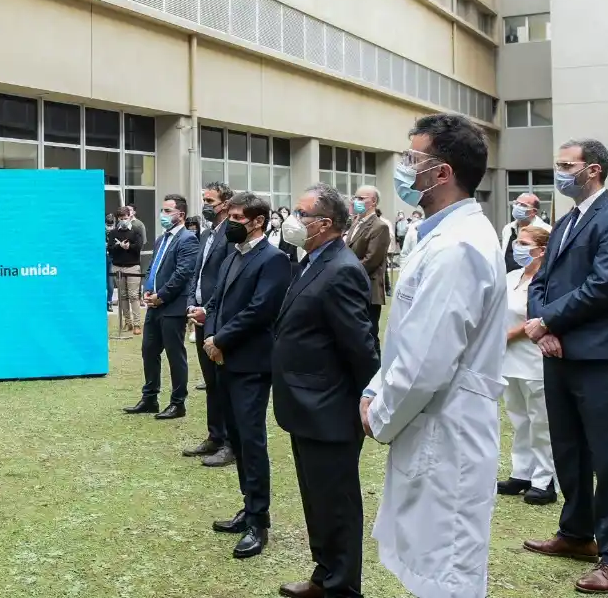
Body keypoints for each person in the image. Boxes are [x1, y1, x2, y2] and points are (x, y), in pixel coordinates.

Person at [361, 113, 507, 598]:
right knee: (427, 558)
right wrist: (375, 387)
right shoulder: (433, 235)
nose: (402, 168)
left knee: (448, 570)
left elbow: (426, 360)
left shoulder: (459, 246)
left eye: (412, 159)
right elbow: (406, 337)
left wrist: (378, 411)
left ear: (441, 173)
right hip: (432, 423)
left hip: (450, 429)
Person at [522, 139, 608, 593]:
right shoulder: (565, 220)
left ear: (594, 170)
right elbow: (540, 279)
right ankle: (577, 533)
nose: (560, 172)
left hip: (601, 357)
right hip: (558, 351)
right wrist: (544, 325)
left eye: (567, 165)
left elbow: (604, 287)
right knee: (568, 447)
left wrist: (548, 320)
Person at [273, 183, 380, 598]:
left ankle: (343, 587)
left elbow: (362, 347)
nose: (293, 222)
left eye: (301, 214)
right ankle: (325, 576)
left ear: (325, 224)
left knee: (336, 504)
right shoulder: (311, 260)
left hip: (329, 409)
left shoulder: (342, 269)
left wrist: (367, 401)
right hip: (304, 405)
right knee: (316, 500)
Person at [197, 192, 291, 559]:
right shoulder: (232, 256)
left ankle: (259, 521)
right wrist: (208, 325)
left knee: (252, 441)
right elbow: (218, 300)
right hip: (222, 358)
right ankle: (247, 506)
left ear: (258, 221)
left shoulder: (274, 260)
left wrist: (221, 338)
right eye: (230, 214)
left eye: (238, 216)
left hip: (250, 362)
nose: (231, 221)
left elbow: (259, 311)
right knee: (236, 438)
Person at [124, 195, 200, 420]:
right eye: (162, 210)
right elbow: (153, 268)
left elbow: (183, 273)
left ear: (181, 215)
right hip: (154, 306)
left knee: (175, 356)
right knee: (149, 351)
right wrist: (147, 290)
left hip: (173, 307)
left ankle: (178, 403)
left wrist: (162, 296)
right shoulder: (161, 239)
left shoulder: (188, 239)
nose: (163, 215)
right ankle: (149, 398)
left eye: (168, 211)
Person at [498, 224, 557, 506]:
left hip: (534, 358)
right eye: (517, 242)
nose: (517, 248)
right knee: (519, 419)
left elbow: (539, 316)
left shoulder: (550, 279)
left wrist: (509, 334)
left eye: (524, 243)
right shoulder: (511, 277)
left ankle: (545, 479)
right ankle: (522, 471)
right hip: (508, 358)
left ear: (542, 249)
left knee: (541, 421)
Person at [183, 182, 235, 467]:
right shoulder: (205, 234)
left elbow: (227, 279)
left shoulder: (231, 234)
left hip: (218, 317)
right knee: (211, 383)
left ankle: (229, 442)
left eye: (210, 200)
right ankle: (215, 436)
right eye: (203, 199)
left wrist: (208, 308)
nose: (205, 205)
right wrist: (192, 302)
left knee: (223, 381)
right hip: (201, 315)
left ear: (225, 203)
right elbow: (197, 274)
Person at [346, 186, 391, 352]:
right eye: (355, 197)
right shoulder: (356, 223)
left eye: (361, 198)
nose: (356, 201)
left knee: (369, 337)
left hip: (368, 290)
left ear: (373, 202)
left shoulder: (380, 227)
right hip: (353, 287)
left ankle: (374, 372)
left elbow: (371, 260)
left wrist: (344, 272)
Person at [109, 210, 145, 334]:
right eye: (120, 218)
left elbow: (139, 247)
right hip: (117, 267)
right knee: (122, 296)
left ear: (129, 216)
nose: (123, 220)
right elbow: (110, 249)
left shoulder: (136, 230)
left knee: (134, 295)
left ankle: (136, 324)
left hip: (132, 267)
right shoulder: (113, 232)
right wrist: (119, 246)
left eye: (125, 217)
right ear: (117, 218)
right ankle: (127, 322)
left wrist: (129, 247)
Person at [499, 192, 552, 274]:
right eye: (516, 203)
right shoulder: (508, 228)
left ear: (534, 211)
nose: (517, 207)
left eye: (523, 205)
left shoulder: (546, 230)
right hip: (508, 279)